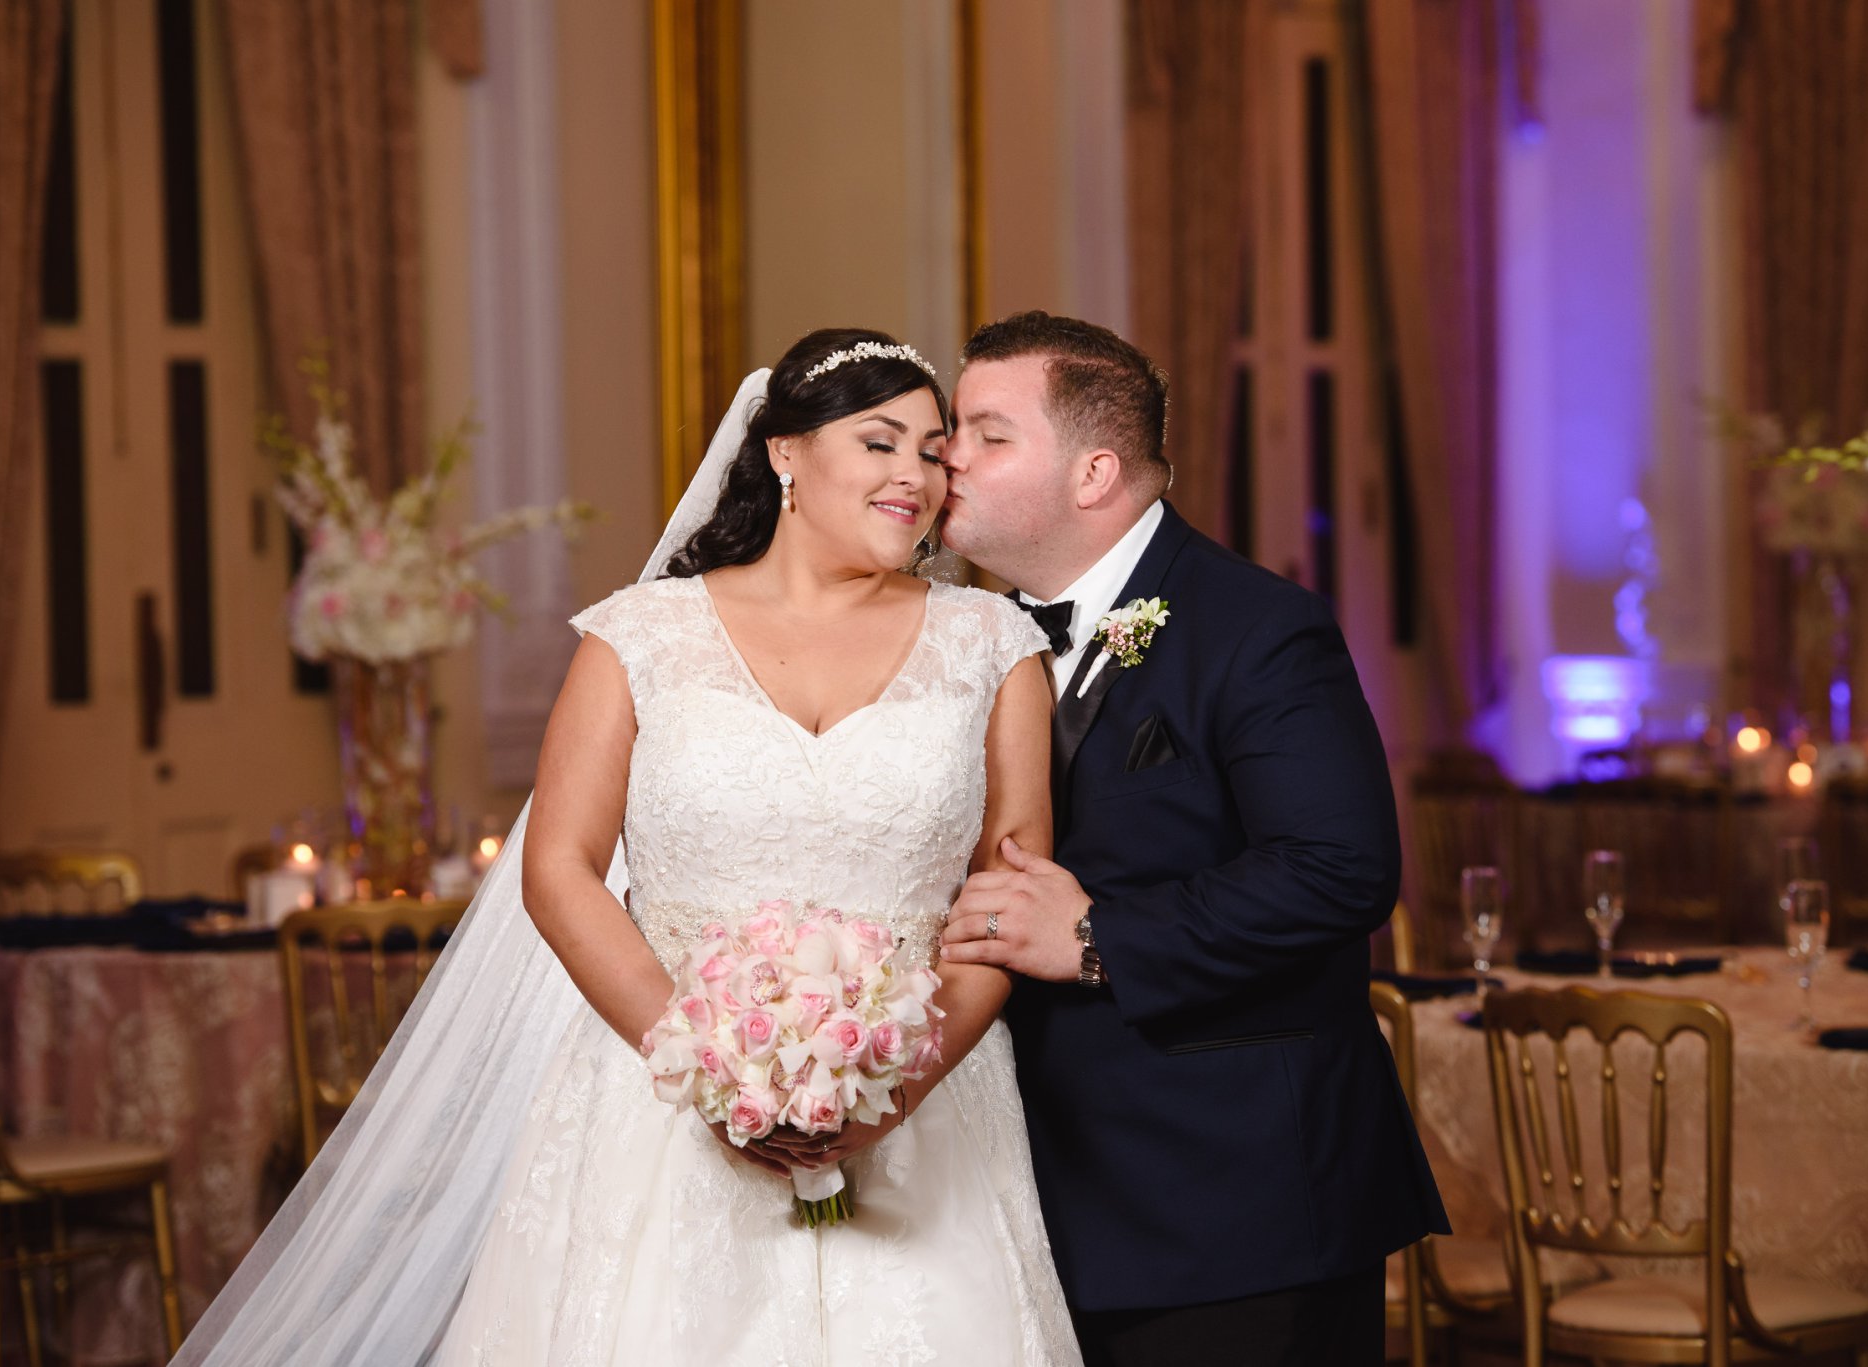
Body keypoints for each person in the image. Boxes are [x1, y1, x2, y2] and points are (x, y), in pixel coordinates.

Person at [176, 329, 1082, 1365]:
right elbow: (558, 868)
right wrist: (714, 1069)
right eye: (879, 443)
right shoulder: (641, 635)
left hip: (927, 1106)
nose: (913, 476)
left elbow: (1008, 895)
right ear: (785, 450)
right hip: (661, 1100)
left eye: (932, 451)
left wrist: (898, 1087)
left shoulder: (992, 644)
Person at [937, 311, 1449, 1367]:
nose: (949, 455)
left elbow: (1340, 869)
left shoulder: (1258, 628)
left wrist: (1097, 935)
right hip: (1022, 1199)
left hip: (1233, 1206)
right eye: (953, 427)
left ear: (1093, 473)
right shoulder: (959, 639)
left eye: (988, 433)